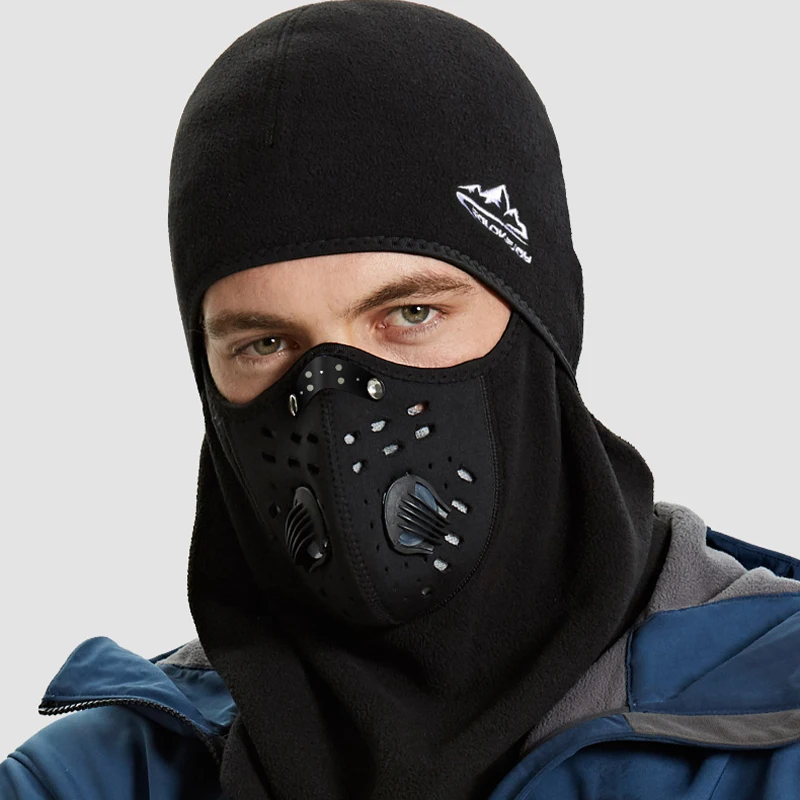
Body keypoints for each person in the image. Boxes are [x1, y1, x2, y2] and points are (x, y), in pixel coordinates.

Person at [2, 1, 799, 797]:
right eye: (265, 344)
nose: (334, 408)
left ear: (544, 320)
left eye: (412, 313)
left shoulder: (777, 730)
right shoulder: (89, 780)